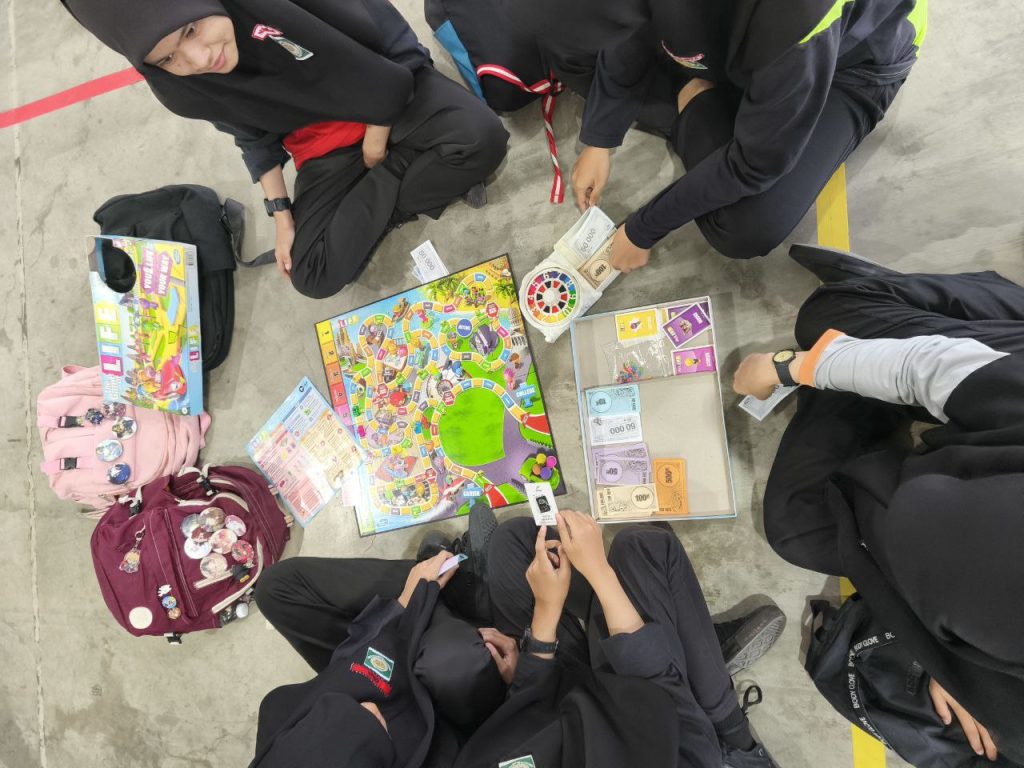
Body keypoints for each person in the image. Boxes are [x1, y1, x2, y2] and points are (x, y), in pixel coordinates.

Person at [733, 245, 1024, 765]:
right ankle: (949, 313)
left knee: (795, 526)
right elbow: (931, 367)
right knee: (825, 317)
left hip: (945, 522)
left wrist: (962, 672)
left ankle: (863, 366)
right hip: (997, 386)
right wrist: (790, 369)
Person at [61, 0, 509, 299]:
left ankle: (377, 202)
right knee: (309, 273)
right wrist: (281, 215)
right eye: (167, 59)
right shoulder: (182, 86)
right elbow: (249, 133)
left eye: (192, 30)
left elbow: (395, 45)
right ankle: (399, 182)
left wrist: (376, 142)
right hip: (321, 145)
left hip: (390, 91)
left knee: (482, 137)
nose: (198, 60)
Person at [506, 0, 926, 270]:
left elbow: (754, 165)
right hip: (728, 41)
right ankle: (697, 95)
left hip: (848, 67)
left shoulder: (798, 23)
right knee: (575, 59)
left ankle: (693, 100)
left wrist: (641, 229)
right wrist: (600, 136)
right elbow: (629, 29)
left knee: (747, 226)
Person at [476, 511, 784, 768]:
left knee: (514, 542)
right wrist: (599, 572)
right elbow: (662, 694)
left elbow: (516, 738)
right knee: (644, 547)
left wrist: (545, 618)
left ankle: (680, 634)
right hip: (658, 718)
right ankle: (734, 736)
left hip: (564, 706)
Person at [251, 550, 508, 767]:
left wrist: (404, 604)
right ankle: (464, 595)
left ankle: (442, 582)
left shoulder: (278, 725)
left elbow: (342, 676)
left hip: (372, 667)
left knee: (274, 590)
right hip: (446, 729)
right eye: (375, 724)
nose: (371, 707)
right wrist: (521, 679)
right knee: (458, 664)